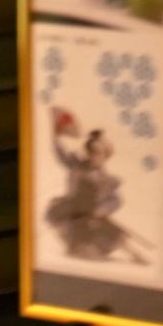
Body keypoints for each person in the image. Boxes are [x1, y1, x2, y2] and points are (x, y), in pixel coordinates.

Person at [45, 109, 148, 265]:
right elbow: (61, 154)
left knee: (111, 230)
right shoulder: (77, 165)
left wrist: (102, 210)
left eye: (99, 153)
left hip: (93, 211)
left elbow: (116, 200)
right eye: (91, 152)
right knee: (71, 222)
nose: (93, 156)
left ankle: (133, 254)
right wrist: (56, 137)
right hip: (73, 207)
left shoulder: (107, 180)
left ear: (106, 156)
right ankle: (77, 248)